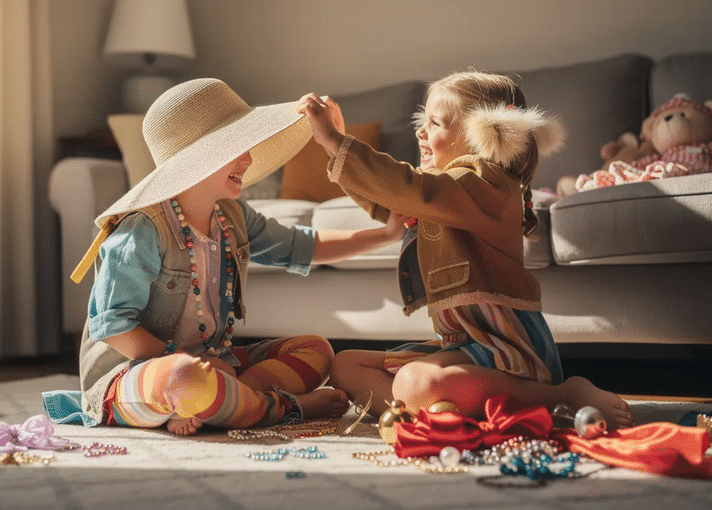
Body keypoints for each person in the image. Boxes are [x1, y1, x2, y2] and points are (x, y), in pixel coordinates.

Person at [296, 70, 635, 429]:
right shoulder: (443, 192)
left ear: (482, 138)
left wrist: (336, 141)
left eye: (435, 123)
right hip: (465, 347)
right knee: (345, 364)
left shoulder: (485, 184)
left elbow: (410, 189)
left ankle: (563, 394)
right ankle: (434, 411)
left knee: (412, 382)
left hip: (507, 352)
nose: (420, 132)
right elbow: (389, 203)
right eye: (421, 121)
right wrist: (334, 145)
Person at [67, 78, 404, 436]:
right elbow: (114, 328)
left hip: (216, 366)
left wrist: (385, 234)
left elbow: (304, 246)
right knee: (184, 377)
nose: (249, 159)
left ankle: (217, 402)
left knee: (316, 349)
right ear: (193, 158)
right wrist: (193, 363)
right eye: (235, 148)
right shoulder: (142, 230)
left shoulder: (232, 217)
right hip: (135, 374)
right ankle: (284, 407)